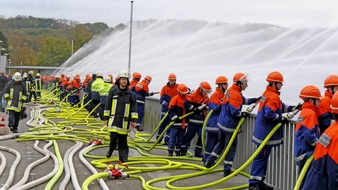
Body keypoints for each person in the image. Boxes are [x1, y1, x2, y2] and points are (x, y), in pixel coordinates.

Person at [248, 71, 301, 190]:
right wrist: (281, 118)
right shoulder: (273, 96)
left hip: (261, 132)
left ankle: (260, 182)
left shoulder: (268, 93)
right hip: (265, 134)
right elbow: (269, 114)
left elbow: (280, 107)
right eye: (280, 83)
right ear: (274, 83)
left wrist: (293, 108)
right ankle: (253, 184)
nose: (281, 85)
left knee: (263, 158)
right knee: (261, 158)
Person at [204, 73, 261, 177]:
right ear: (238, 83)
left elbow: (242, 101)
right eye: (245, 83)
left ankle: (209, 161)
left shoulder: (232, 91)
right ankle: (227, 170)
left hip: (221, 124)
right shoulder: (235, 93)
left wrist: (254, 100)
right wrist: (243, 113)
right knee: (231, 148)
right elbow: (234, 111)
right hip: (229, 126)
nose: (246, 85)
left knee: (220, 144)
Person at [104, 69, 138, 162]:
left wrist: (134, 120)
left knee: (123, 141)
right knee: (113, 139)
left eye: (126, 79)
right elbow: (108, 104)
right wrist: (106, 118)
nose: (124, 81)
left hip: (124, 122)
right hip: (113, 120)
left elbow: (134, 108)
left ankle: (123, 159)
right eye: (122, 79)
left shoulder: (130, 94)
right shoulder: (113, 90)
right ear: (119, 80)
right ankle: (110, 150)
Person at [294, 85, 321, 189]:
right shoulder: (310, 113)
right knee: (307, 180)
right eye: (317, 99)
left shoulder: (304, 112)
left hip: (301, 151)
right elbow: (309, 134)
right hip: (306, 152)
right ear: (311, 100)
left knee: (302, 178)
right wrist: (318, 145)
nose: (319, 101)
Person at [181, 81, 212, 157]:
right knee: (189, 136)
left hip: (201, 122)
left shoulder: (206, 97)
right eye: (206, 91)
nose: (207, 93)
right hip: (193, 121)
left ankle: (198, 152)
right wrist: (194, 108)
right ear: (201, 89)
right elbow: (186, 103)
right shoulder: (194, 95)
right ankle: (183, 150)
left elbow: (209, 104)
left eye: (208, 92)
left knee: (202, 136)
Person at [202, 76, 228, 163]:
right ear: (220, 85)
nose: (226, 86)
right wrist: (223, 104)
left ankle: (210, 160)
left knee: (216, 143)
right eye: (225, 84)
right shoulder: (215, 95)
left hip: (218, 125)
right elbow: (215, 107)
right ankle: (207, 159)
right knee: (211, 143)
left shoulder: (223, 95)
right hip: (213, 124)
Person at [157, 74, 179, 144]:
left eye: (173, 80)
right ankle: (159, 138)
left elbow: (185, 90)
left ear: (175, 80)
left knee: (170, 126)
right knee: (163, 124)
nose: (171, 81)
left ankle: (167, 140)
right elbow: (161, 100)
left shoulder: (178, 87)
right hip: (165, 110)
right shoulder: (164, 88)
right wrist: (168, 105)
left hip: (172, 111)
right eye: (170, 80)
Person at [167, 84, 189, 156]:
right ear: (179, 92)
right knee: (173, 138)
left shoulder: (187, 99)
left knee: (180, 139)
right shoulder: (175, 99)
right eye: (183, 93)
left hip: (183, 124)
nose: (184, 94)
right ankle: (170, 151)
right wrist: (174, 117)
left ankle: (178, 151)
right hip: (175, 123)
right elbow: (170, 110)